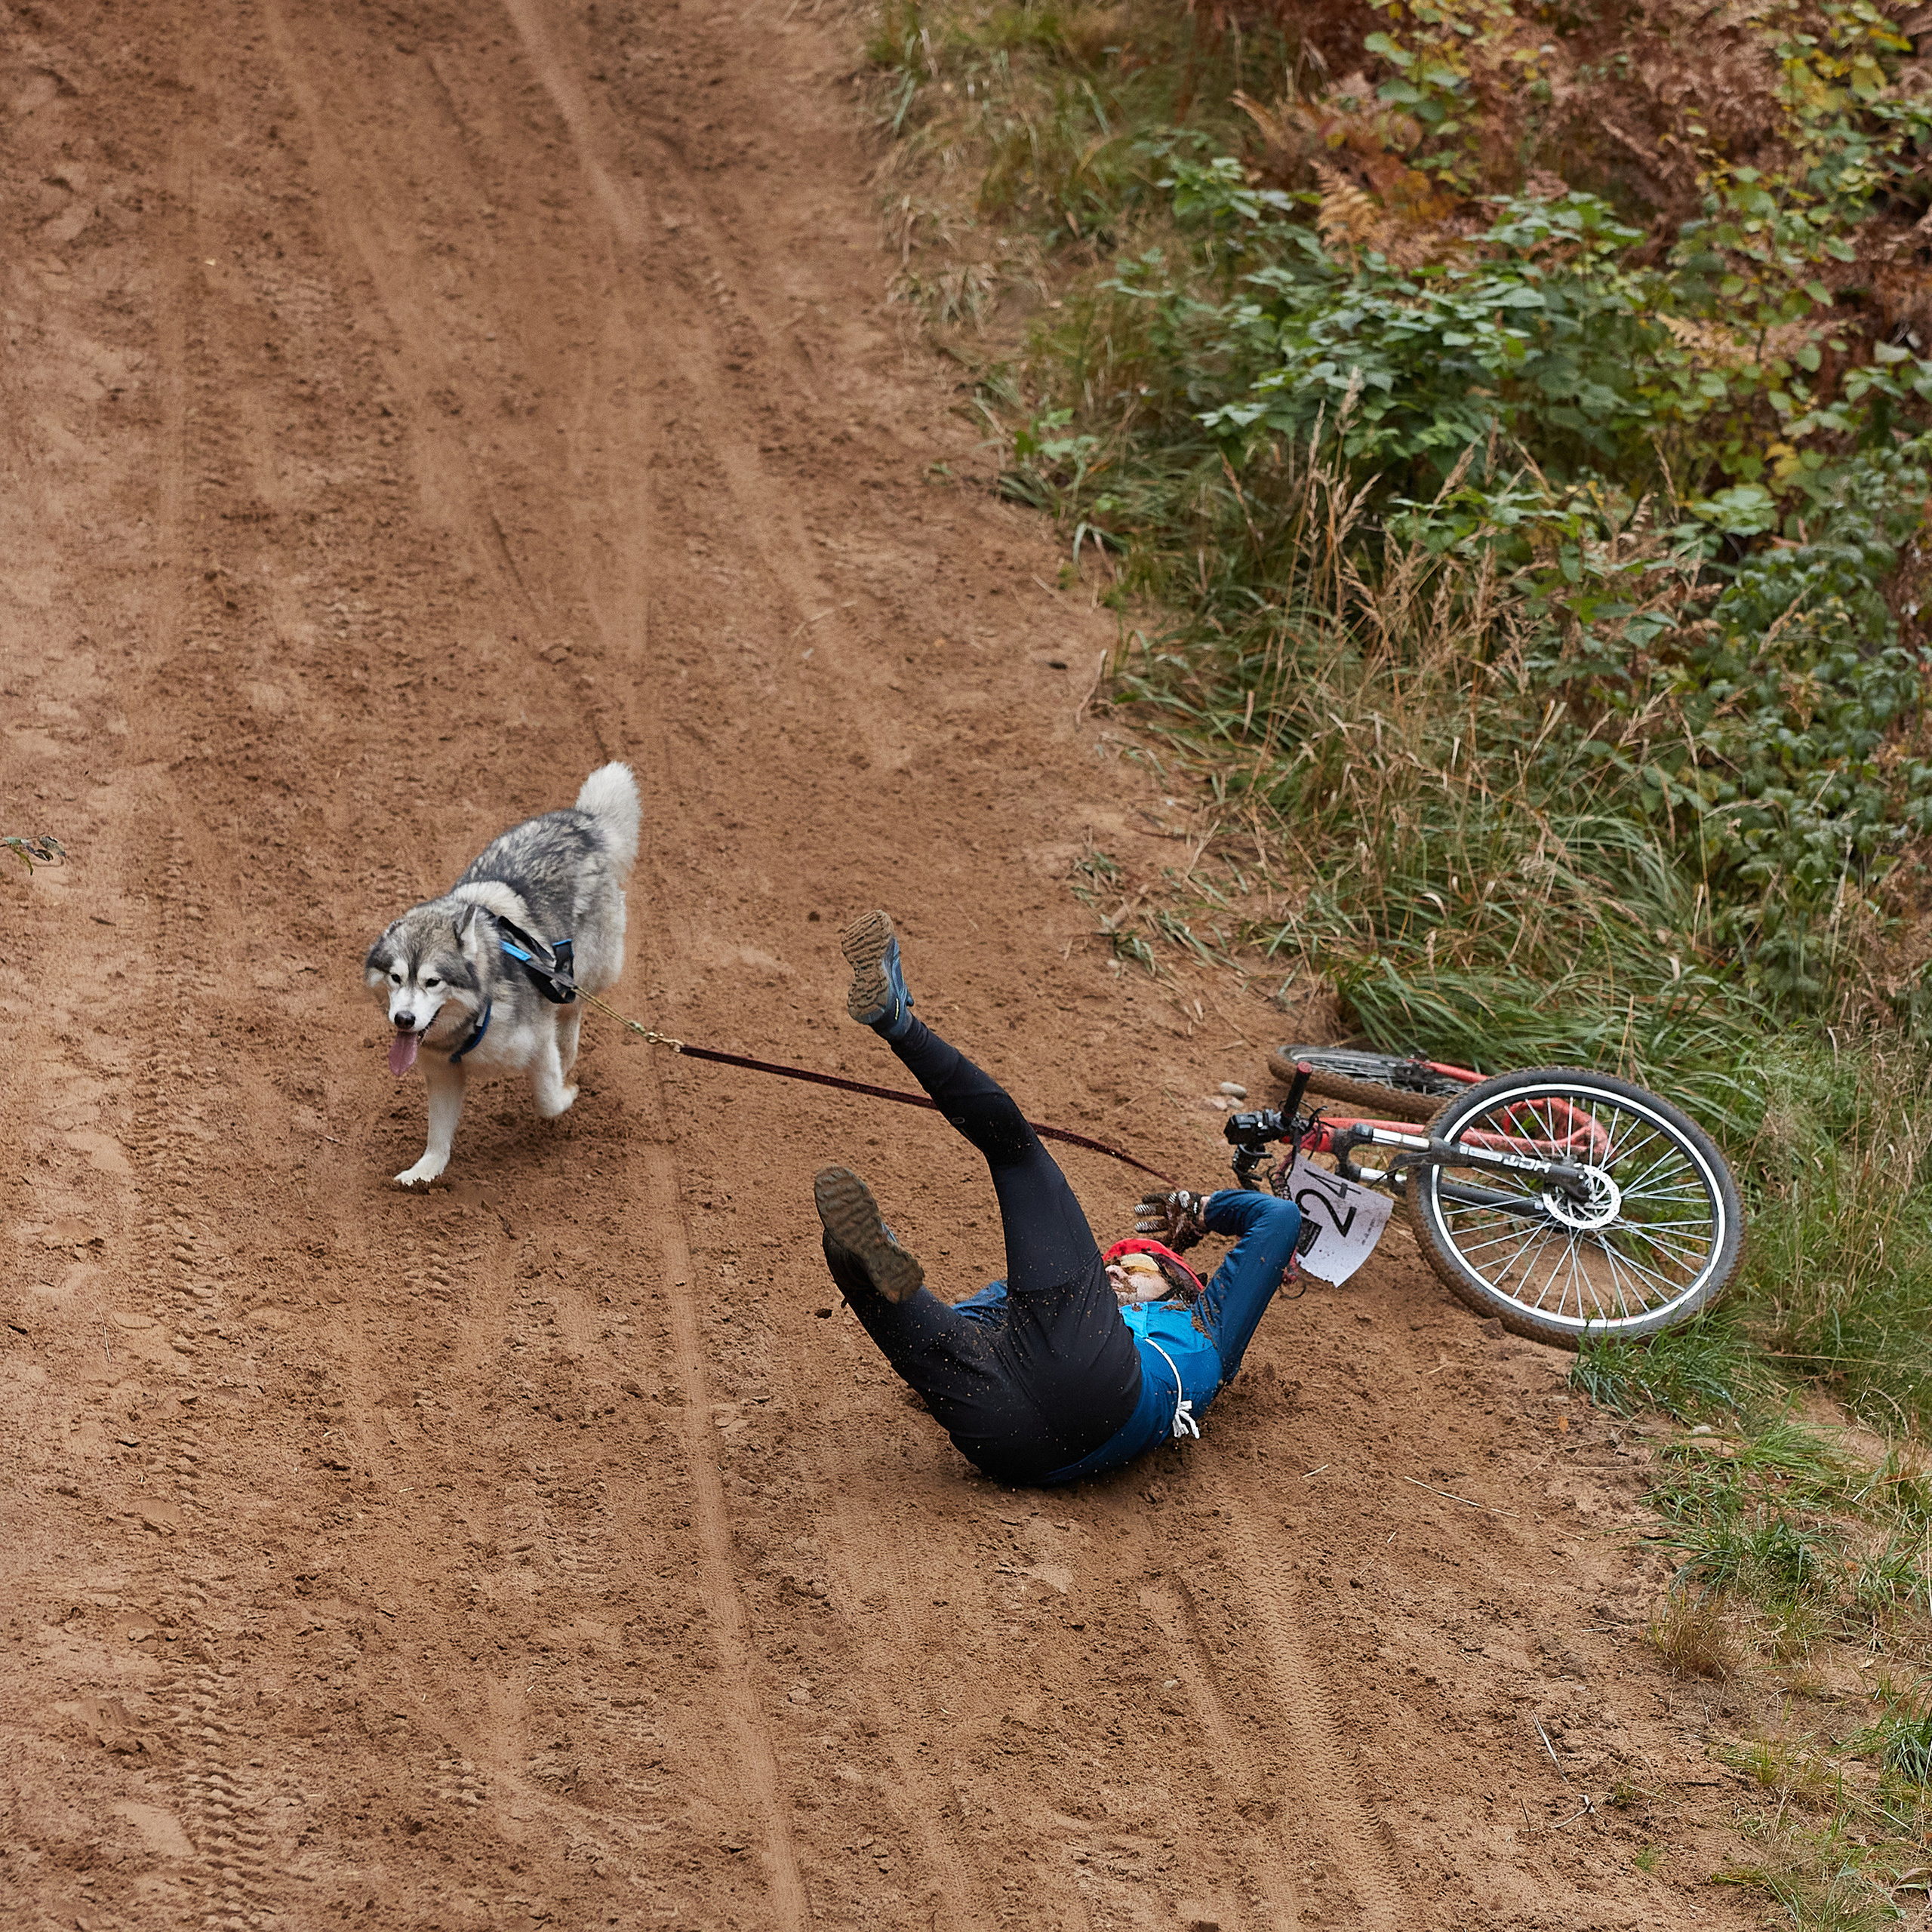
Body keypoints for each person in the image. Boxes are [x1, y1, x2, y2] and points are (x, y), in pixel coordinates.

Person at [812, 912, 1303, 1487]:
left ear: (1177, 1285)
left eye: (1132, 1263)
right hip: (1010, 1441)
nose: (1115, 1267)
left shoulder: (1209, 1320)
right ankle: (866, 1259)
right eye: (1112, 1263)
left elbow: (1280, 1216)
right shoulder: (1121, 1322)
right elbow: (964, 1330)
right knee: (906, 1304)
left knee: (1018, 1153)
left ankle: (898, 1022)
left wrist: (1202, 1210)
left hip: (1054, 1408)